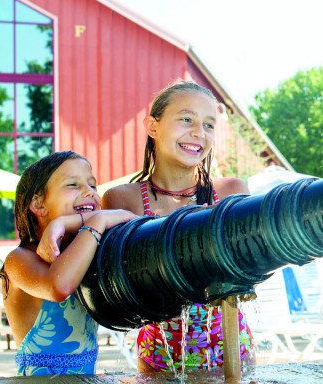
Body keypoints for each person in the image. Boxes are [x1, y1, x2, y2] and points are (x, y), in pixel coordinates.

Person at [101, 80, 255, 372]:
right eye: (186, 119)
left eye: (209, 125)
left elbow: (251, 273)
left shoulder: (231, 194)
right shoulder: (122, 199)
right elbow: (118, 291)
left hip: (231, 350)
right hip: (158, 354)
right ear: (152, 127)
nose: (199, 132)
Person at [0, 151, 137, 375]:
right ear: (39, 204)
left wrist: (68, 222)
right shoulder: (19, 260)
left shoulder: (88, 249)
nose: (89, 192)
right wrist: (98, 220)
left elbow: (133, 221)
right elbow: (59, 287)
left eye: (93, 185)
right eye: (73, 184)